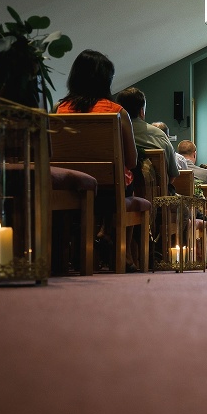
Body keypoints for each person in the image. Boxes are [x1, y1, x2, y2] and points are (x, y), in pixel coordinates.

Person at [55, 49, 140, 272]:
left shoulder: (58, 110)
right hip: (108, 192)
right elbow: (131, 160)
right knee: (130, 178)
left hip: (70, 189)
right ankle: (116, 242)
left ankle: (71, 253)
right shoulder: (117, 112)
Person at [115, 87, 179, 190]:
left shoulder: (112, 132)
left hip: (114, 192)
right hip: (154, 196)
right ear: (142, 111)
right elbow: (172, 174)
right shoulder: (159, 135)